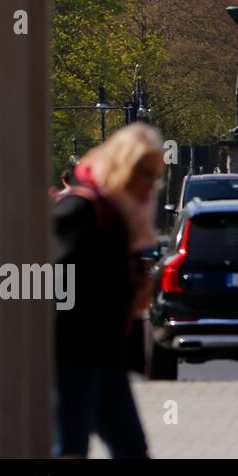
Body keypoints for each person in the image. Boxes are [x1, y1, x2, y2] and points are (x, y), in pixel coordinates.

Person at [52, 122, 165, 458]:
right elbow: (58, 284)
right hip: (74, 353)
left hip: (103, 352)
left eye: (155, 174)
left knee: (129, 446)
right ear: (124, 168)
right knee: (72, 447)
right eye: (145, 173)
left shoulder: (116, 212)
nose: (151, 184)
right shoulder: (83, 209)